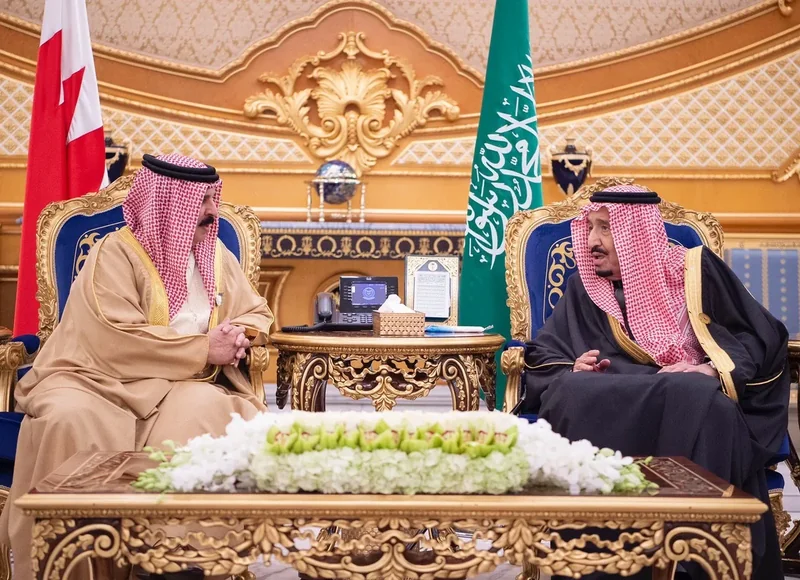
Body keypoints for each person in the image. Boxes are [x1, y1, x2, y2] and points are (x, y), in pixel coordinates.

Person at [0, 153, 274, 580]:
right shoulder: (115, 253)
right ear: (169, 204)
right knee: (71, 419)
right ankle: (77, 566)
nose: (211, 212)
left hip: (179, 382)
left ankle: (178, 562)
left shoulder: (214, 254)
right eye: (201, 201)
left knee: (206, 411)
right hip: (94, 378)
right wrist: (205, 348)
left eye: (212, 199)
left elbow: (255, 311)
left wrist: (241, 334)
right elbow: (114, 336)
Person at [518, 184, 789, 579]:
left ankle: (693, 559)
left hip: (685, 390)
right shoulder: (585, 287)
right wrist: (573, 366)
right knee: (571, 391)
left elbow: (760, 334)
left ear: (635, 233)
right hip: (612, 391)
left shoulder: (696, 271)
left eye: (605, 228)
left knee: (702, 397)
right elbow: (546, 352)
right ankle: (596, 562)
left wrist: (711, 368)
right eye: (590, 228)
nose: (591, 242)